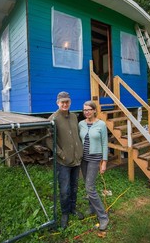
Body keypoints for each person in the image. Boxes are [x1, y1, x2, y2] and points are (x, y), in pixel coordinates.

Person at [47, 91, 84, 229]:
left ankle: (72, 208)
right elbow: (49, 140)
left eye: (67, 101)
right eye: (62, 102)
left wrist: (79, 150)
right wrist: (61, 154)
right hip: (63, 161)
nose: (65, 104)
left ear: (70, 102)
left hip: (76, 159)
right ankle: (64, 213)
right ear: (57, 103)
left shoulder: (74, 116)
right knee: (65, 189)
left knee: (74, 186)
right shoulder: (53, 118)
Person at [78, 100, 109, 231]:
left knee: (90, 187)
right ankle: (91, 208)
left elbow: (105, 144)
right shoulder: (80, 124)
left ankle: (103, 217)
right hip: (83, 159)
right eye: (85, 110)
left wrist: (104, 162)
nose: (87, 112)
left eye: (89, 109)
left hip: (94, 159)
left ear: (95, 110)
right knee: (88, 185)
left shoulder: (101, 125)